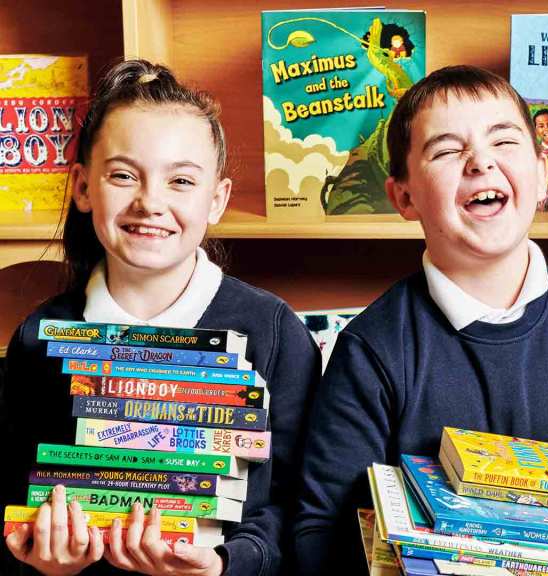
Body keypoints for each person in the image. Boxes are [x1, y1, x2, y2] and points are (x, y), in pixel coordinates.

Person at [294, 65, 548, 575]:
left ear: (542, 171)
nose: (481, 162)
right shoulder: (371, 349)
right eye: (446, 150)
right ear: (404, 197)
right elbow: (323, 529)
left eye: (503, 141)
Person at [1, 59, 319, 576]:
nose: (150, 202)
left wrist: (223, 565)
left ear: (217, 200)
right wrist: (44, 562)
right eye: (123, 175)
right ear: (82, 187)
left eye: (181, 181)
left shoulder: (274, 333)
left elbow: (296, 514)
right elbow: (16, 495)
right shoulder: (38, 340)